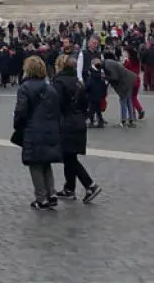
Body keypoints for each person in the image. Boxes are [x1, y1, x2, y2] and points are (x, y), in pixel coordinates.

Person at [13, 56, 62, 209]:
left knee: (35, 164)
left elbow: (21, 111)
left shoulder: (25, 88)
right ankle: (52, 192)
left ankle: (41, 197)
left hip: (33, 129)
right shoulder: (50, 87)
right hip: (50, 129)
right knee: (46, 163)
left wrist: (18, 125)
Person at [51, 55, 100, 204]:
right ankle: (69, 188)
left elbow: (56, 104)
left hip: (66, 122)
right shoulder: (79, 83)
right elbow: (85, 104)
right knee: (69, 156)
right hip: (78, 121)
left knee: (70, 158)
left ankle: (90, 185)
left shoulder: (58, 82)